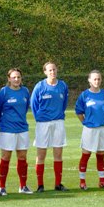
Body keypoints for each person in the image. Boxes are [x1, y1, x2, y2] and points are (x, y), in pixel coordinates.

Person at [30, 62, 69, 192]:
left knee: (58, 154)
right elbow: (33, 105)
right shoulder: (40, 87)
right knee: (41, 154)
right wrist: (41, 118)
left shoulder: (62, 85)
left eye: (54, 69)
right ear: (45, 72)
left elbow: (64, 104)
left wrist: (57, 115)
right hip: (43, 124)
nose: (52, 72)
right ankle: (40, 185)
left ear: (57, 70)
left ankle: (58, 184)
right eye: (49, 70)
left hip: (58, 122)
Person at [0, 68, 33, 195]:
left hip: (22, 129)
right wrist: (1, 123)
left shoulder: (25, 91)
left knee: (22, 157)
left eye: (18, 77)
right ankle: (2, 187)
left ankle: (23, 186)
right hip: (7, 130)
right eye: (14, 77)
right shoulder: (3, 92)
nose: (16, 79)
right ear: (9, 79)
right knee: (6, 157)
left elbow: (26, 107)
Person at [75, 70, 104, 190]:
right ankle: (82, 182)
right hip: (90, 129)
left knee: (101, 155)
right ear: (89, 80)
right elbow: (79, 111)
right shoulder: (84, 95)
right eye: (94, 79)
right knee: (86, 154)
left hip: (103, 128)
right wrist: (85, 122)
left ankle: (102, 181)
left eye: (99, 79)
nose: (97, 81)